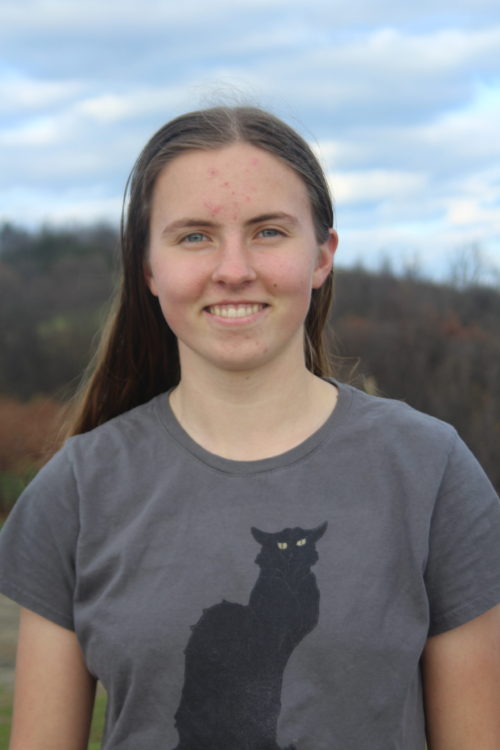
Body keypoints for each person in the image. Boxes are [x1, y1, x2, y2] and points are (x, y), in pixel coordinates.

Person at [0, 105, 499, 750]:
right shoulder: (79, 486)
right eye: (194, 236)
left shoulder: (430, 471)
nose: (233, 269)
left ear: (322, 257)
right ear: (148, 268)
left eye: (268, 232)